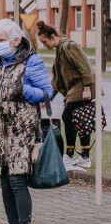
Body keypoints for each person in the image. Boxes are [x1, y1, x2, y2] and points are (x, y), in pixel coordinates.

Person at [0, 18, 52, 224]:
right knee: (4, 181)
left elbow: (46, 93)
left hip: (22, 131)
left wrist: (22, 89)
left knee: (17, 180)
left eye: (1, 40)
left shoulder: (32, 61)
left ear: (15, 40)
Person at [36, 20, 97, 170]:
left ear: (52, 37)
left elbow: (86, 68)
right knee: (81, 120)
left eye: (45, 42)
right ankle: (83, 157)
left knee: (68, 116)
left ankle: (70, 156)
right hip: (77, 89)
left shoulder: (70, 46)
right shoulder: (60, 51)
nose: (45, 46)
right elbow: (56, 81)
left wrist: (87, 88)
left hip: (83, 87)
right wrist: (47, 98)